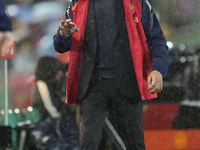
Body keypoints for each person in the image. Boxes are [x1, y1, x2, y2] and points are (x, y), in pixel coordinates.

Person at [53, 0, 169, 149]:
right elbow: (60, 45)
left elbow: (156, 38)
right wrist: (64, 35)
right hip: (93, 85)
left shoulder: (137, 2)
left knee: (135, 143)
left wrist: (158, 69)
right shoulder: (78, 2)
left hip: (129, 82)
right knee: (88, 143)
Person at [31, 56, 78, 150]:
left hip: (54, 124)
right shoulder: (42, 85)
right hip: (46, 125)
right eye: (59, 72)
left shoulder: (55, 87)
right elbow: (51, 109)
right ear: (52, 72)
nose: (62, 75)